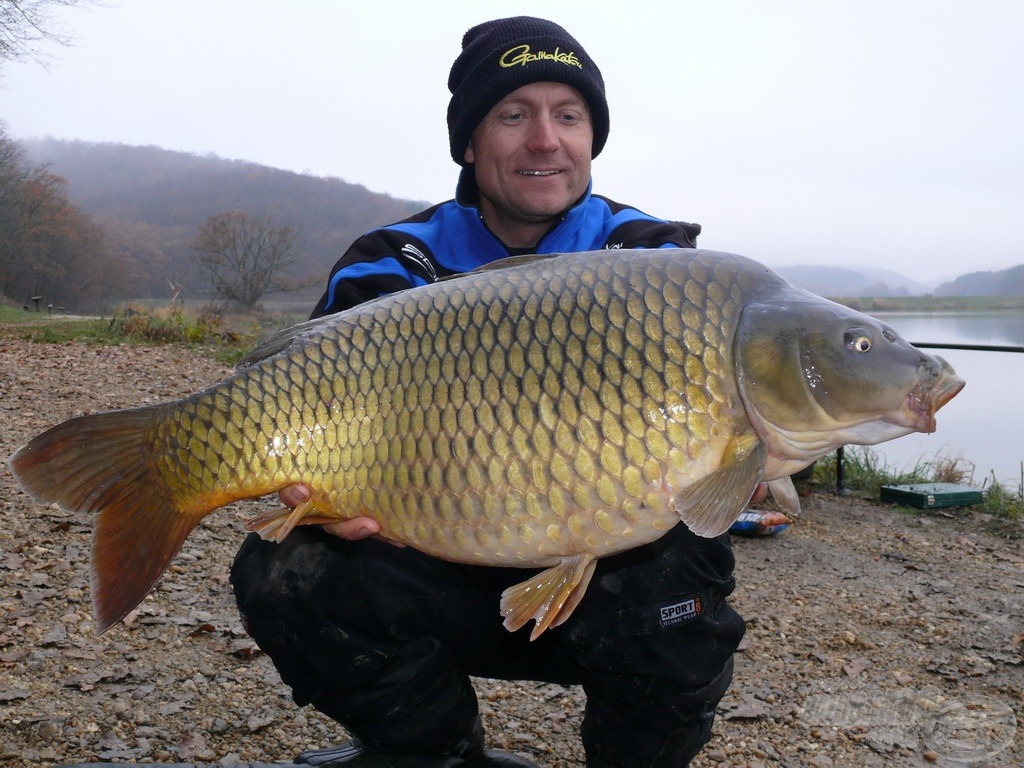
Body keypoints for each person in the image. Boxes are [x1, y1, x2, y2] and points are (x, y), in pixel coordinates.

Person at [230, 16, 748, 767]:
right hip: (432, 553)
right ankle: (435, 752)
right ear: (471, 144)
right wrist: (314, 495)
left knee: (681, 580)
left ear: (591, 139)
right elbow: (297, 408)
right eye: (514, 115)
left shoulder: (655, 263)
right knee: (289, 572)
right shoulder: (391, 264)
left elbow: (740, 429)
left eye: (568, 116)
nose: (546, 139)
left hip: (614, 574)